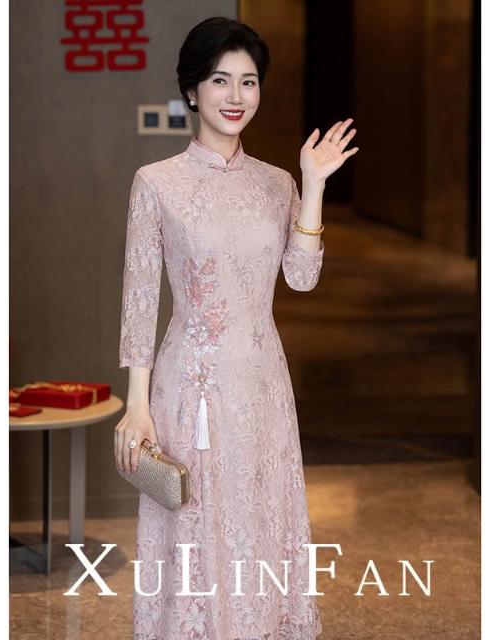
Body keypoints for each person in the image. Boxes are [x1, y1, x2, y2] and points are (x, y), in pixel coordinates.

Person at [113, 16, 358, 640]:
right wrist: (137, 407)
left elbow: (301, 277)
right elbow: (140, 300)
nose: (235, 96)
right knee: (195, 522)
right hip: (189, 386)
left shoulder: (278, 183)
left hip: (262, 382)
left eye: (248, 82)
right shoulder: (156, 183)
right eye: (220, 80)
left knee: (259, 518)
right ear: (191, 90)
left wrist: (313, 185)